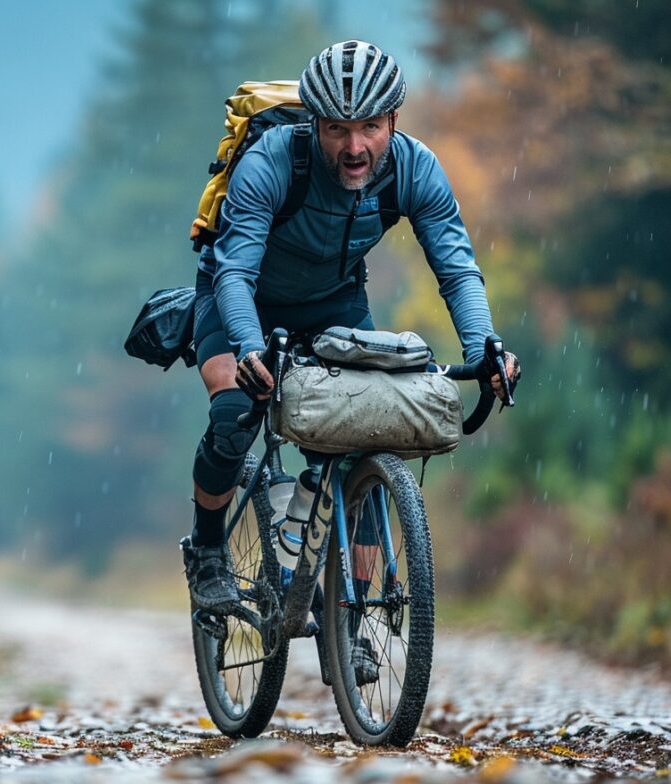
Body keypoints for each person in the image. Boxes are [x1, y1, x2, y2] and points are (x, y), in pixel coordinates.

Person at [182, 40, 521, 612]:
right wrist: (246, 348)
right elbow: (235, 271)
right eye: (337, 128)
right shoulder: (271, 162)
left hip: (334, 302)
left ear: (393, 120)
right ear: (314, 124)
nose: (355, 146)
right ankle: (209, 549)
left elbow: (457, 269)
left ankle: (349, 614)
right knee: (234, 411)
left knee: (365, 430)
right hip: (239, 297)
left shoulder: (415, 168)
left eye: (369, 126)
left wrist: (485, 348)